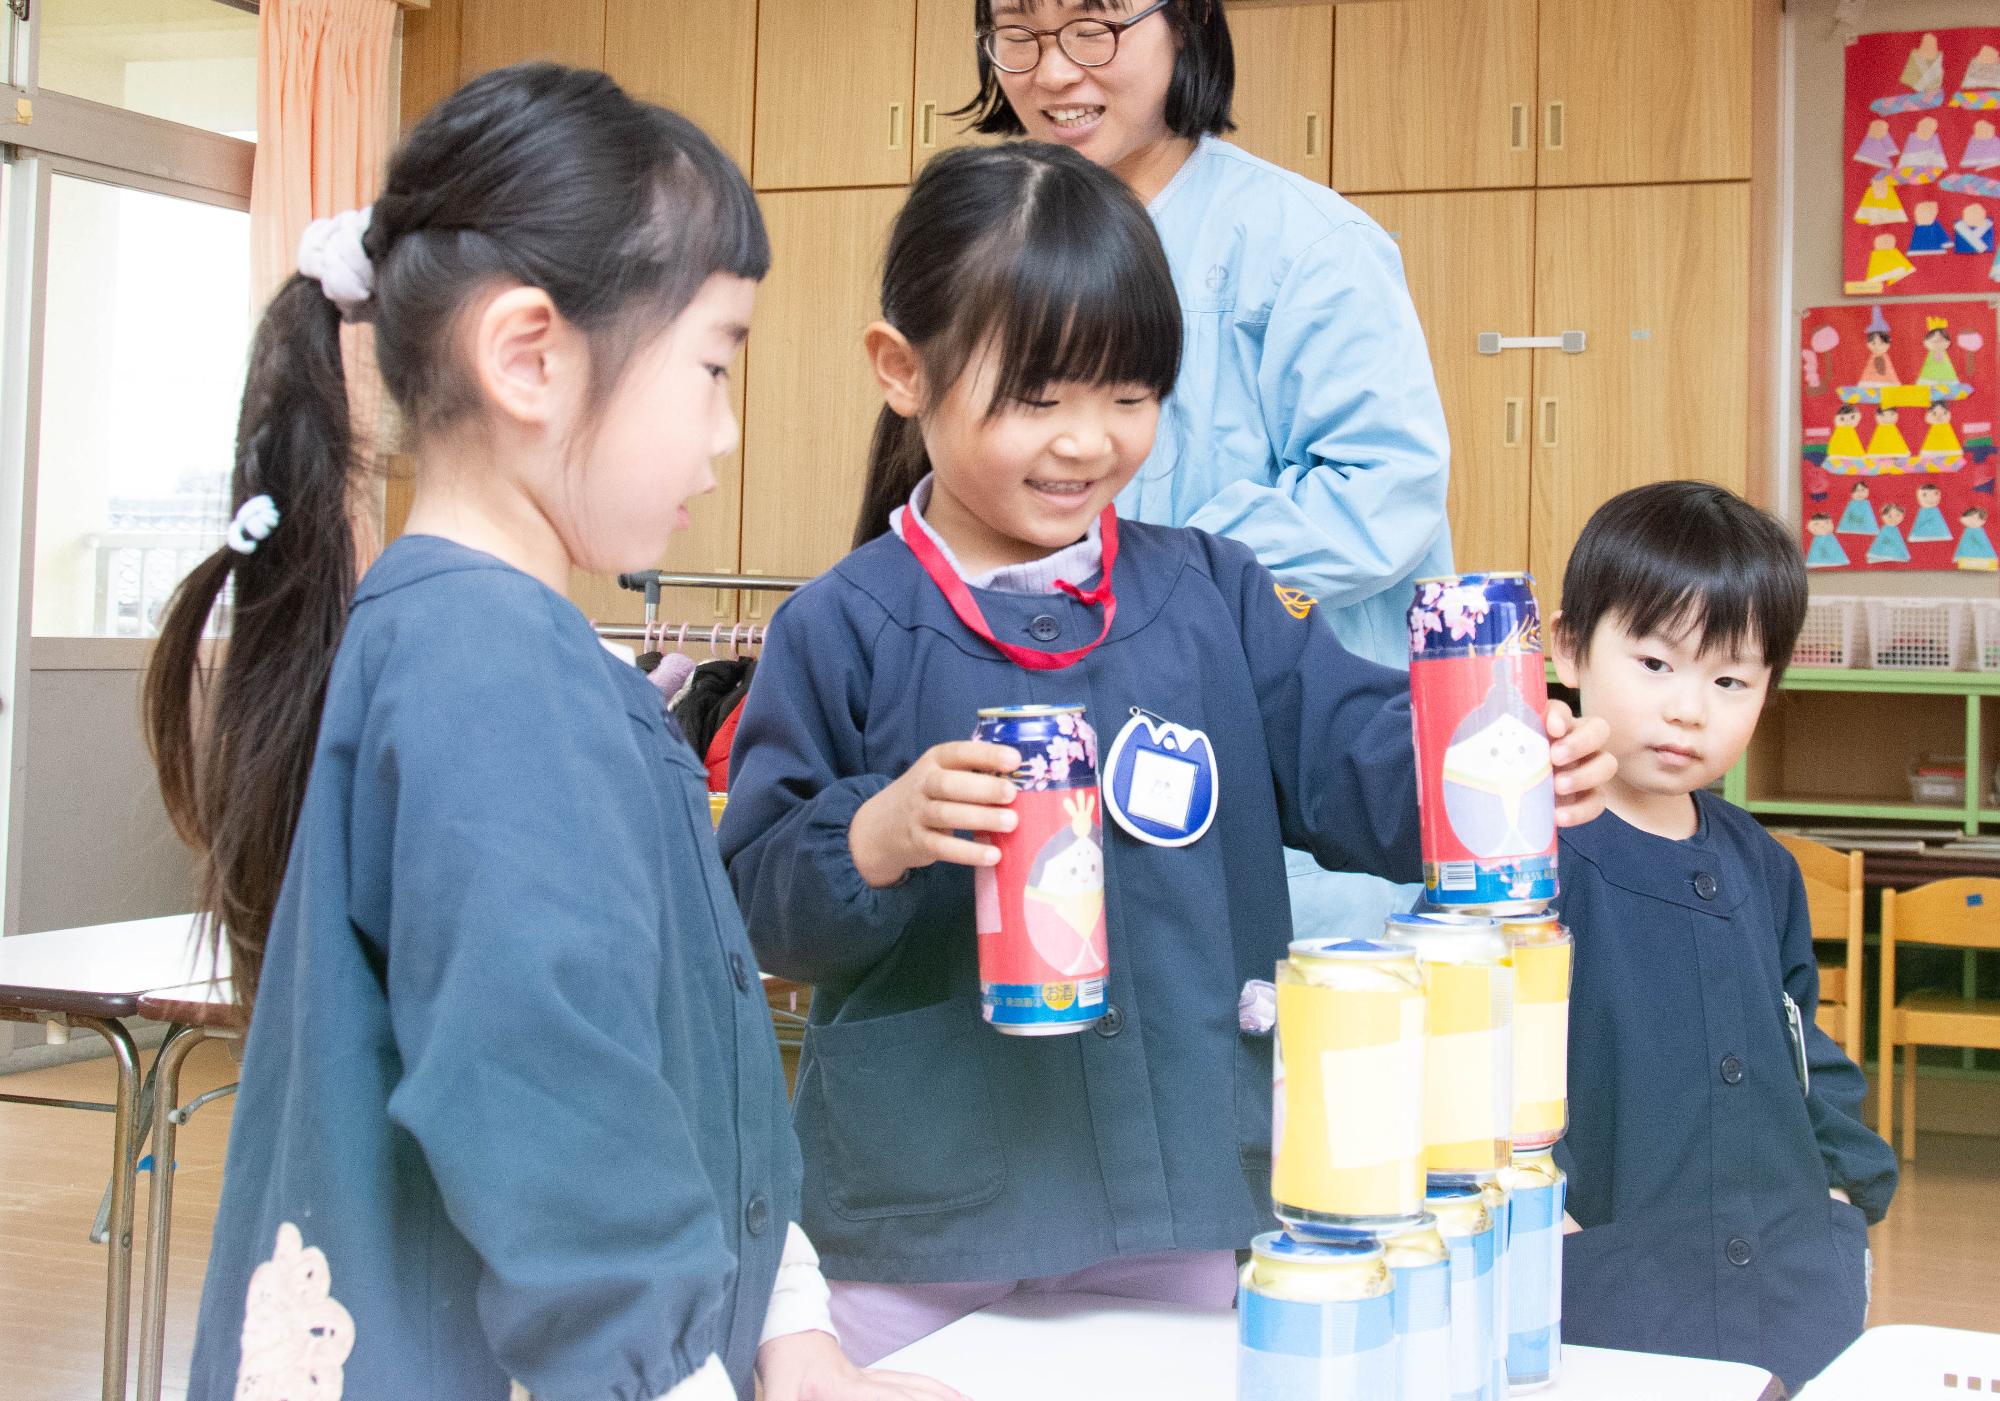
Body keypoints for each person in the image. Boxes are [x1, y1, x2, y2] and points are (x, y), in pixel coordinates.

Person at [718, 141, 1614, 1367]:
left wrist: (1496, 771)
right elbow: (760, 904)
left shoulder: (1208, 594)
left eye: (1129, 395)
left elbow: (1354, 758)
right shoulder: (844, 624)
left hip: (1179, 1192)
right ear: (903, 371)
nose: (1086, 441)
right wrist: (874, 836)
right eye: (1035, 397)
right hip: (917, 1218)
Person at [143, 64, 961, 1401]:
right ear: (529, 356)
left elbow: (687, 1069)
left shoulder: (473, 641)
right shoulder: (486, 668)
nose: (725, 428)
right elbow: (549, 1106)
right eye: (709, 365)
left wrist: (789, 1322)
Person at [961, 0, 1450, 939]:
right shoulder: (1005, 249)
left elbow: (1381, 492)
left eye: (1095, 25)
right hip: (1069, 794)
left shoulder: (1303, 244)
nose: (1056, 71)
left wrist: (1143, 576)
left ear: (1183, 24)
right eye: (1019, 31)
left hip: (1292, 821)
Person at [1548, 482, 1898, 1390]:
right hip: (1610, 1273)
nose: (1690, 708)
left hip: (1782, 1269)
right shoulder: (1533, 848)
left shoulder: (1762, 864)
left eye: (1730, 679)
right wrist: (1539, 1203)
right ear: (1571, 647)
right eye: (1656, 663)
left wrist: (1838, 1184)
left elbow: (1799, 1041)